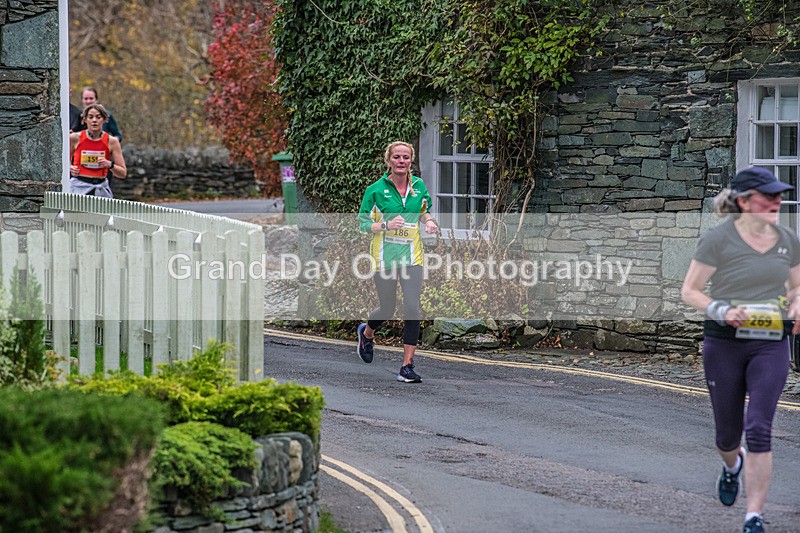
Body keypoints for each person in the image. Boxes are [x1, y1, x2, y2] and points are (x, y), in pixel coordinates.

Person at [681, 167, 800, 533]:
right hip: (724, 344)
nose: (777, 202)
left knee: (760, 427)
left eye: (780, 196)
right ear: (745, 202)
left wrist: (796, 305)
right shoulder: (719, 239)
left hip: (771, 345)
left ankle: (754, 516)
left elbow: (797, 287)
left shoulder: (787, 240)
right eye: (769, 196)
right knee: (727, 436)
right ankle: (732, 465)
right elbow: (691, 290)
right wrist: (722, 310)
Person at [356, 141, 438, 383]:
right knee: (388, 308)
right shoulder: (375, 190)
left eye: (405, 158)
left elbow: (424, 210)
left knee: (412, 306)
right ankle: (367, 333)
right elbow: (361, 224)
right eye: (397, 157)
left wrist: (429, 222)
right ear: (389, 160)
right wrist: (385, 225)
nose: (401, 161)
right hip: (384, 258)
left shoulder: (418, 186)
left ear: (411, 161)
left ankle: (407, 366)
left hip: (413, 257)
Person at [69, 103, 127, 197]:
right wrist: (69, 167)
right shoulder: (75, 138)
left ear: (104, 120)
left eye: (98, 117)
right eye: (90, 117)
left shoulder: (112, 141)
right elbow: (61, 162)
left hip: (101, 189)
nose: (94, 120)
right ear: (84, 120)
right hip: (78, 187)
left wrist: (109, 165)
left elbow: (122, 173)